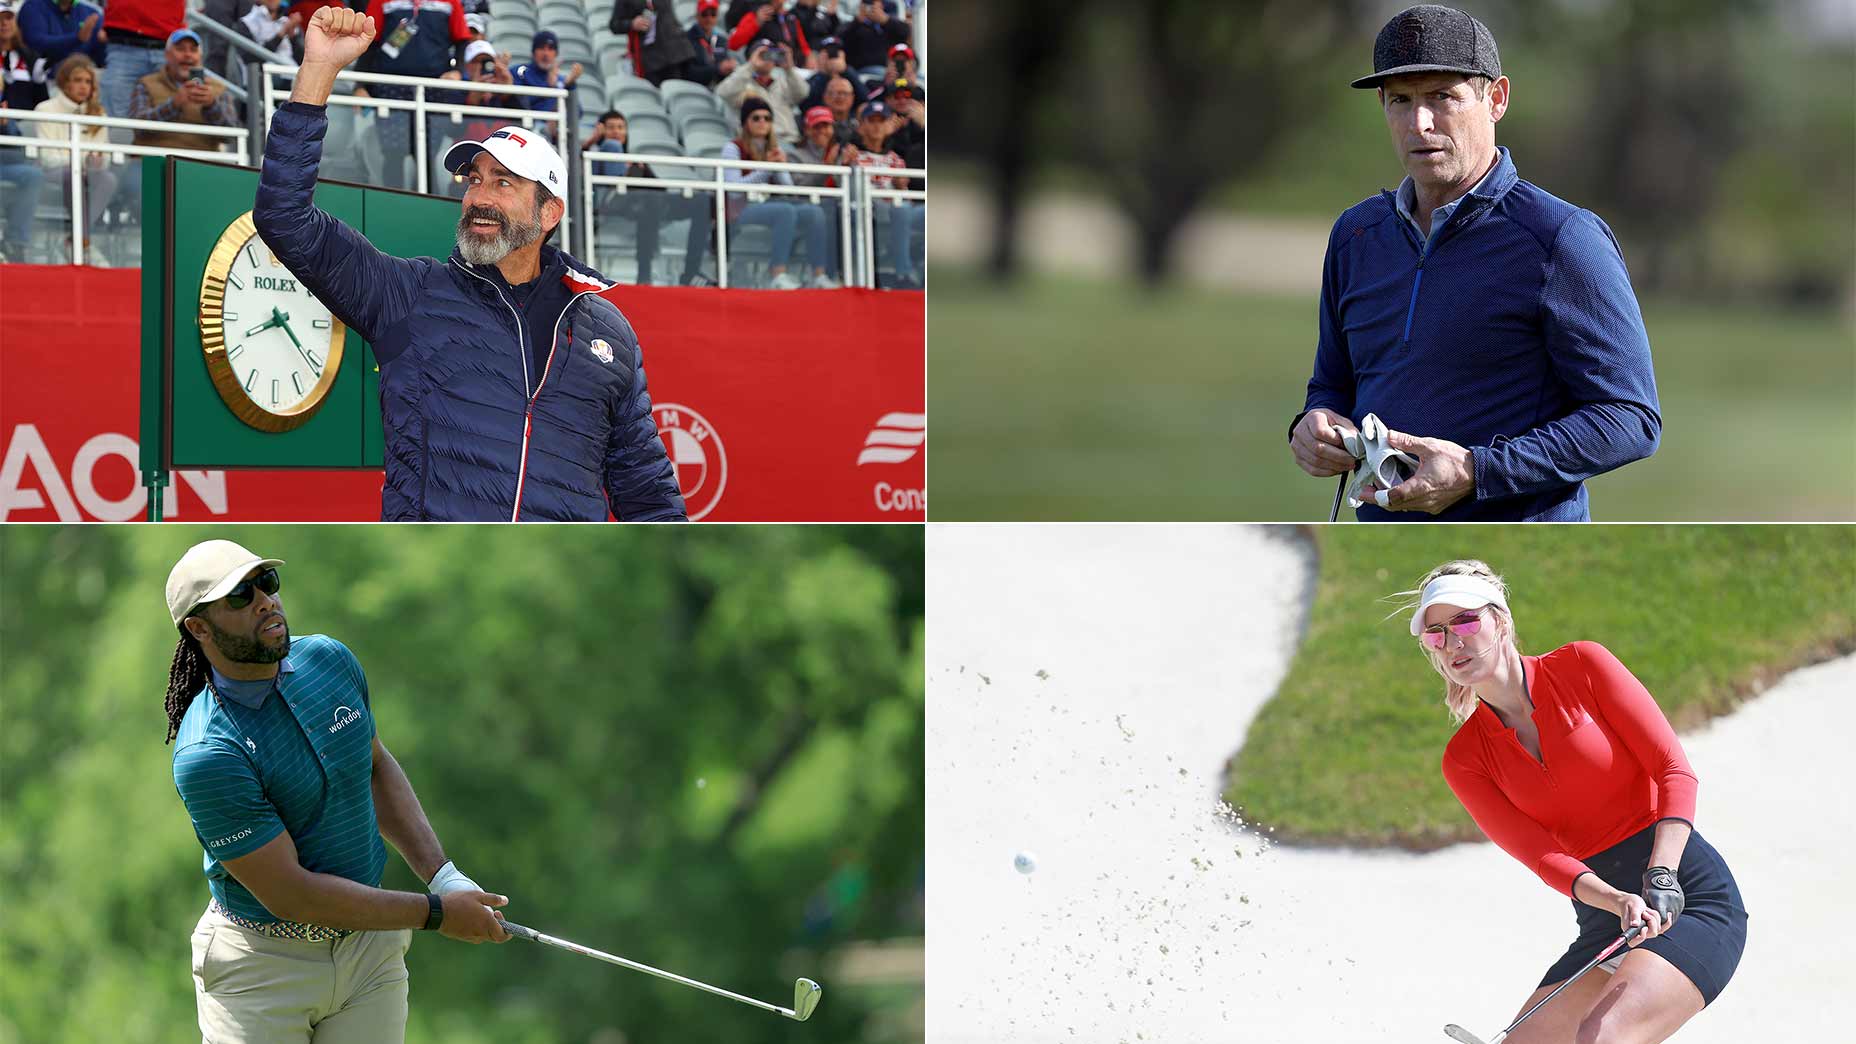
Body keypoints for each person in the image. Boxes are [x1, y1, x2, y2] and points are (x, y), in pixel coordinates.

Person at [254, 7, 687, 520]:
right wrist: (318, 71)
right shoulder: (410, 294)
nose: (480, 197)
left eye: (503, 183)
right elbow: (285, 219)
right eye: (474, 180)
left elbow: (649, 496)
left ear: (549, 212)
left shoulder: (608, 331)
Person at [1291, 5, 1660, 522]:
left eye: (1442, 96)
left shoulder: (1561, 238)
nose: (1420, 123)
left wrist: (1477, 470)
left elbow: (1630, 419)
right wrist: (1312, 426)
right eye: (1401, 100)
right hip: (1379, 540)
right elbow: (1332, 385)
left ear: (1496, 99)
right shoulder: (1356, 235)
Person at [164, 540, 514, 1042]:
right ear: (199, 628)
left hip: (369, 955)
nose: (265, 601)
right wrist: (436, 914)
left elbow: (373, 767)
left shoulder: (328, 660)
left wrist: (444, 877)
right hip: (262, 969)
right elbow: (292, 894)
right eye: (240, 596)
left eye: (266, 583)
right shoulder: (209, 752)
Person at [1406, 560, 1747, 1043]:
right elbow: (1544, 858)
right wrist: (1616, 900)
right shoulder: (1464, 760)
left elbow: (1674, 770)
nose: (1452, 642)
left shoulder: (1582, 666)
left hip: (1686, 896)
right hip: (1606, 917)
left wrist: (1661, 874)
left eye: (1464, 621)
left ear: (1500, 621)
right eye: (1436, 634)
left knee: (1601, 1037)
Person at [584, 109, 716, 286]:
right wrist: (592, 141)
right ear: (600, 130)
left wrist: (639, 169)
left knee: (702, 202)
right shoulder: (596, 152)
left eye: (621, 127)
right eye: (611, 127)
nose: (616, 131)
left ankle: (690, 272)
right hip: (611, 204)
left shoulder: (633, 160)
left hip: (646, 205)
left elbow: (659, 189)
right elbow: (577, 172)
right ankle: (644, 274)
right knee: (650, 201)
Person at [723, 95, 834, 289]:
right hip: (741, 208)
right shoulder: (732, 148)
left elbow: (789, 190)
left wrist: (781, 167)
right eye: (756, 118)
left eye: (767, 118)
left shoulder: (775, 148)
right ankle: (777, 274)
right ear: (745, 123)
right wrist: (767, 168)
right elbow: (734, 190)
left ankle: (818, 275)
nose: (762, 122)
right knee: (785, 211)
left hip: (769, 205)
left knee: (814, 212)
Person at [359, 0, 470, 189]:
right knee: (393, 154)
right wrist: (360, 85)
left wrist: (458, 71)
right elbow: (370, 43)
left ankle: (426, 204)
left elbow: (462, 40)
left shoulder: (450, 2)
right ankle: (392, 202)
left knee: (428, 155)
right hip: (391, 86)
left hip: (434, 88)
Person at [34, 53, 117, 262]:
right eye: (78, 80)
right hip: (54, 172)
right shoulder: (45, 109)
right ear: (65, 83)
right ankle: (83, 243)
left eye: (88, 82)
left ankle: (77, 239)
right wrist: (83, 162)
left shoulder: (99, 114)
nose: (83, 86)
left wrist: (97, 162)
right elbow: (47, 158)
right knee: (74, 176)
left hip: (86, 173)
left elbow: (105, 156)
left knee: (108, 179)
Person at [127, 30, 240, 154]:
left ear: (200, 57)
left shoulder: (217, 88)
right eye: (180, 49)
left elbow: (231, 136)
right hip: (153, 160)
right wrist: (174, 105)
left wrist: (211, 106)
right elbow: (137, 128)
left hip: (201, 162)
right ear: (167, 55)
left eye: (193, 50)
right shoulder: (146, 84)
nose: (187, 55)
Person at [850, 98, 918, 288]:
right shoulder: (854, 155)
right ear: (861, 126)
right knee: (901, 211)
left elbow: (904, 194)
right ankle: (903, 273)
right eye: (872, 120)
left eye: (882, 121)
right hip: (868, 209)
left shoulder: (896, 159)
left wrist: (900, 186)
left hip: (896, 209)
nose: (877, 126)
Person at [1, 0, 49, 261]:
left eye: (8, 18)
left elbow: (42, 105)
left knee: (33, 175)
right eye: (0, 18)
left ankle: (16, 244)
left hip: (15, 146)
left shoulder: (30, 59)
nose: (4, 23)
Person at [716, 37, 806, 144]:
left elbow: (803, 93)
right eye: (763, 54)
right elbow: (723, 92)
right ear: (751, 57)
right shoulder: (742, 85)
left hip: (789, 140)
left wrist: (789, 69)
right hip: (759, 143)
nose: (768, 58)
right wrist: (751, 66)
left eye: (772, 54)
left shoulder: (783, 82)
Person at [610, 0, 700, 86]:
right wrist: (632, 23)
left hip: (676, 53)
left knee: (680, 91)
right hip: (651, 58)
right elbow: (614, 25)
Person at [14, 0, 105, 70]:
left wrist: (104, 42)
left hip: (83, 78)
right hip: (44, 78)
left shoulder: (92, 12)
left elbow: (101, 59)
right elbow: (37, 43)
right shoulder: (33, 6)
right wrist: (77, 38)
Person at [510, 29, 580, 112]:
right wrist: (550, 87)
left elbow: (577, 114)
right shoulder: (520, 73)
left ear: (556, 54)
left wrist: (569, 86)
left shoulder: (561, 81)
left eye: (550, 49)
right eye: (541, 48)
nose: (546, 53)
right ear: (533, 52)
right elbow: (519, 106)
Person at [840, 0, 905, 81]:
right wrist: (857, 21)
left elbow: (905, 33)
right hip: (864, 69)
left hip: (890, 68)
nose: (871, 7)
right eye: (868, 3)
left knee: (912, 78)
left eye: (873, 3)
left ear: (881, 5)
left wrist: (885, 20)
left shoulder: (890, 24)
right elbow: (843, 40)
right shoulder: (853, 26)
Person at [727, 0, 808, 61]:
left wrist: (808, 57)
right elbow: (733, 44)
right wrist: (757, 22)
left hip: (788, 66)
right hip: (761, 66)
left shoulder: (791, 18)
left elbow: (804, 47)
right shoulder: (755, 15)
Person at [798, 35, 862, 110]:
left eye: (836, 53)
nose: (832, 56)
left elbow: (864, 98)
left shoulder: (850, 74)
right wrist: (824, 74)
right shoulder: (812, 78)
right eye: (828, 53)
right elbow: (805, 104)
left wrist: (845, 70)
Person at [683, 0, 734, 86]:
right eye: (704, 14)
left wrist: (729, 66)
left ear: (717, 16)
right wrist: (717, 69)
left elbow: (724, 63)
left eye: (713, 14)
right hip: (694, 87)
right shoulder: (687, 39)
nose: (709, 18)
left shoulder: (721, 40)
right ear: (697, 16)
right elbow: (688, 72)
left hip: (719, 86)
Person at [239, 0, 302, 66]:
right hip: (266, 70)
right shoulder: (247, 22)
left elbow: (302, 60)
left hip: (293, 70)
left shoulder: (290, 21)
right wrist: (280, 35)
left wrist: (293, 37)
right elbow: (248, 58)